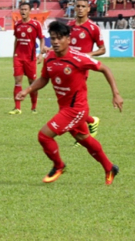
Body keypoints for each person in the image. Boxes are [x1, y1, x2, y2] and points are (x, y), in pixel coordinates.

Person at [16, 21, 122, 185]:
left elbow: (105, 69)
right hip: (65, 107)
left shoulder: (79, 58)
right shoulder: (50, 57)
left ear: (68, 39)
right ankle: (110, 167)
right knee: (85, 140)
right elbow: (45, 78)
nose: (56, 42)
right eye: (53, 38)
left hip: (76, 109)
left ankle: (59, 166)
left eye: (59, 38)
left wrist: (116, 94)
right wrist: (27, 90)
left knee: (44, 136)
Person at [67, 0, 106, 145]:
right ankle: (91, 121)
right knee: (71, 105)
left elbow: (103, 49)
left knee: (73, 105)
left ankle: (83, 134)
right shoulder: (70, 26)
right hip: (67, 68)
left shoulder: (93, 28)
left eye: (84, 6)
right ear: (74, 8)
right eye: (78, 6)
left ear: (88, 9)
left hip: (81, 70)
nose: (80, 9)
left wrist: (88, 55)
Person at [10, 2, 46, 115]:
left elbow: (41, 39)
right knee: (17, 82)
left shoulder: (36, 24)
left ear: (30, 11)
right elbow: (16, 40)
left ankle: (33, 107)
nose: (23, 11)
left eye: (26, 9)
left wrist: (40, 54)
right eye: (22, 9)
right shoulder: (17, 24)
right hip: (18, 57)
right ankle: (17, 108)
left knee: (32, 83)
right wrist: (14, 54)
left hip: (30, 58)